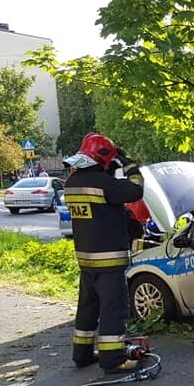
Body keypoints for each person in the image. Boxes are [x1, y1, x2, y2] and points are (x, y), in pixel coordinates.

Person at [62, 133, 144, 373]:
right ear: (104, 159)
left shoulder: (72, 183)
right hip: (109, 261)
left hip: (86, 260)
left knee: (88, 308)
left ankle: (82, 353)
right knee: (113, 309)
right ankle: (112, 359)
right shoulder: (103, 183)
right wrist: (131, 167)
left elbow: (101, 211)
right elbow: (135, 191)